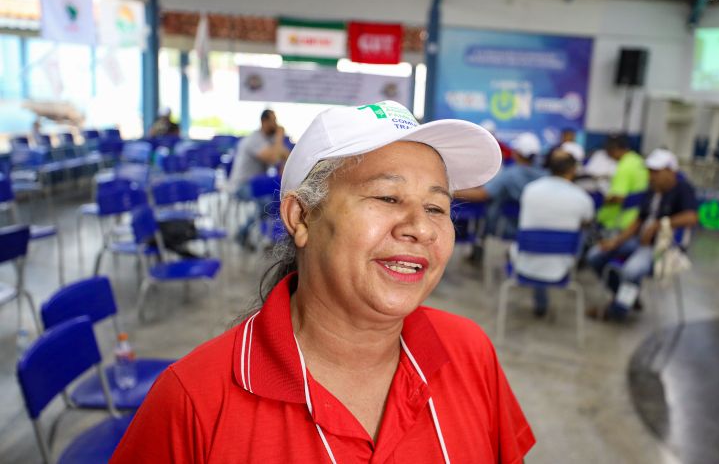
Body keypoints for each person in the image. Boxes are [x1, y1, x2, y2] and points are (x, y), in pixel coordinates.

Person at [111, 100, 535, 463]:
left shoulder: (469, 353)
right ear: (301, 217)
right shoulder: (195, 402)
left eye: (437, 208)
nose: (421, 229)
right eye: (388, 197)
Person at [586, 148, 698, 320]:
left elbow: (691, 217)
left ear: (670, 171)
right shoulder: (651, 190)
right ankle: (626, 298)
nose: (651, 176)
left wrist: (658, 226)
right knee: (595, 255)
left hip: (664, 247)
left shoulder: (683, 189)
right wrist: (615, 241)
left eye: (656, 172)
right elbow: (638, 220)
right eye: (650, 171)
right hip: (640, 241)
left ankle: (617, 311)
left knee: (632, 271)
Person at [513, 147, 595, 317]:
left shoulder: (530, 190)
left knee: (537, 242)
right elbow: (587, 222)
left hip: (524, 263)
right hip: (562, 267)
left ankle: (540, 304)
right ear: (573, 170)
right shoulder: (582, 197)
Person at [228, 108, 290, 247]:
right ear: (264, 121)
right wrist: (280, 137)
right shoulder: (254, 140)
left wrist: (283, 163)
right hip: (241, 185)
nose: (276, 124)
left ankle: (270, 235)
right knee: (267, 202)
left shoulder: (269, 140)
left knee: (276, 198)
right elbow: (274, 157)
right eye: (273, 121)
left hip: (258, 184)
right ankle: (246, 234)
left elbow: (287, 155)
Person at [595, 134, 649, 232]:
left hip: (619, 223)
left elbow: (618, 197)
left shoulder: (624, 167)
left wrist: (598, 200)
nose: (606, 153)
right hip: (635, 221)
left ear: (614, 148)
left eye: (607, 150)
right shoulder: (636, 160)